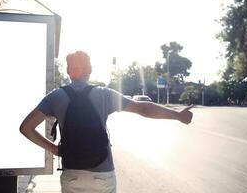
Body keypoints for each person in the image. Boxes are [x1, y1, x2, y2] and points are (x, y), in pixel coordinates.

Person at [19, 50, 193, 193]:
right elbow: (143, 108)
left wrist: (55, 149)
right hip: (102, 174)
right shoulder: (103, 94)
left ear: (68, 71)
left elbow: (26, 128)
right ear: (90, 70)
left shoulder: (56, 97)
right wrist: (177, 115)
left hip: (72, 174)